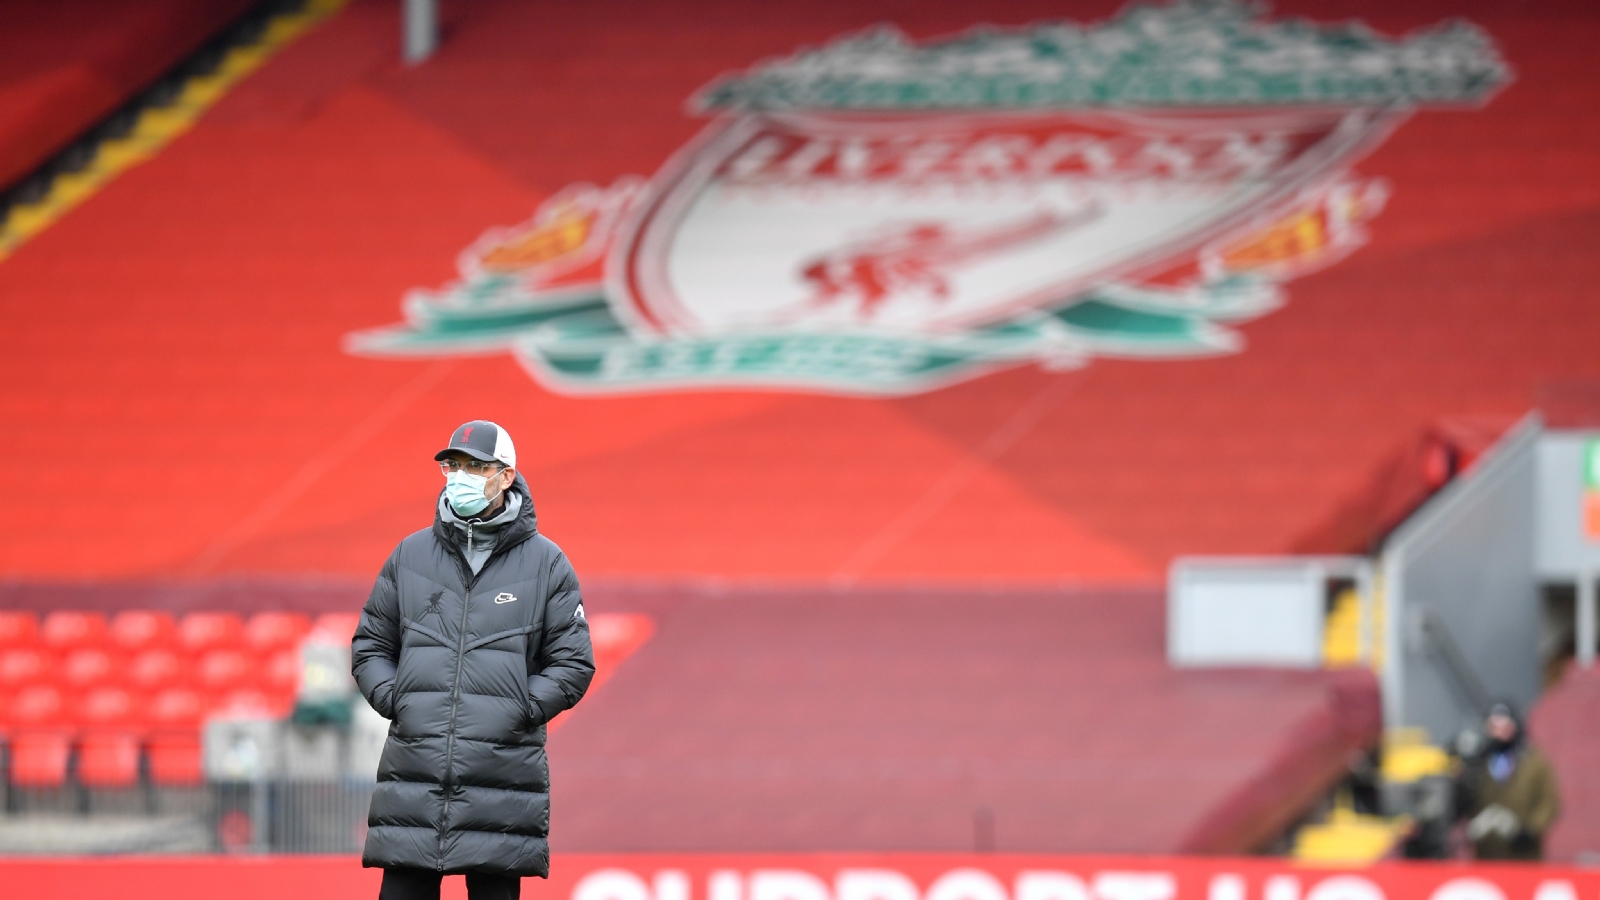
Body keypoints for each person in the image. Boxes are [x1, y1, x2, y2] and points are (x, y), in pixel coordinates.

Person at [352, 420, 595, 900]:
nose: (460, 475)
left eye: (475, 466)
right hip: (415, 775)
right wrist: (399, 701)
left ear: (505, 476)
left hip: (501, 779)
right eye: (454, 465)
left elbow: (573, 663)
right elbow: (370, 646)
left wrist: (516, 710)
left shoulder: (547, 563)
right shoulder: (410, 554)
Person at [1459, 701, 1560, 860]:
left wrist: (1530, 831)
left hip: (1524, 852)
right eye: (1493, 727)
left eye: (1504, 727)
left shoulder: (1533, 762)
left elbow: (1549, 802)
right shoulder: (1478, 763)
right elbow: (1466, 799)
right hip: (1487, 852)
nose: (1499, 733)